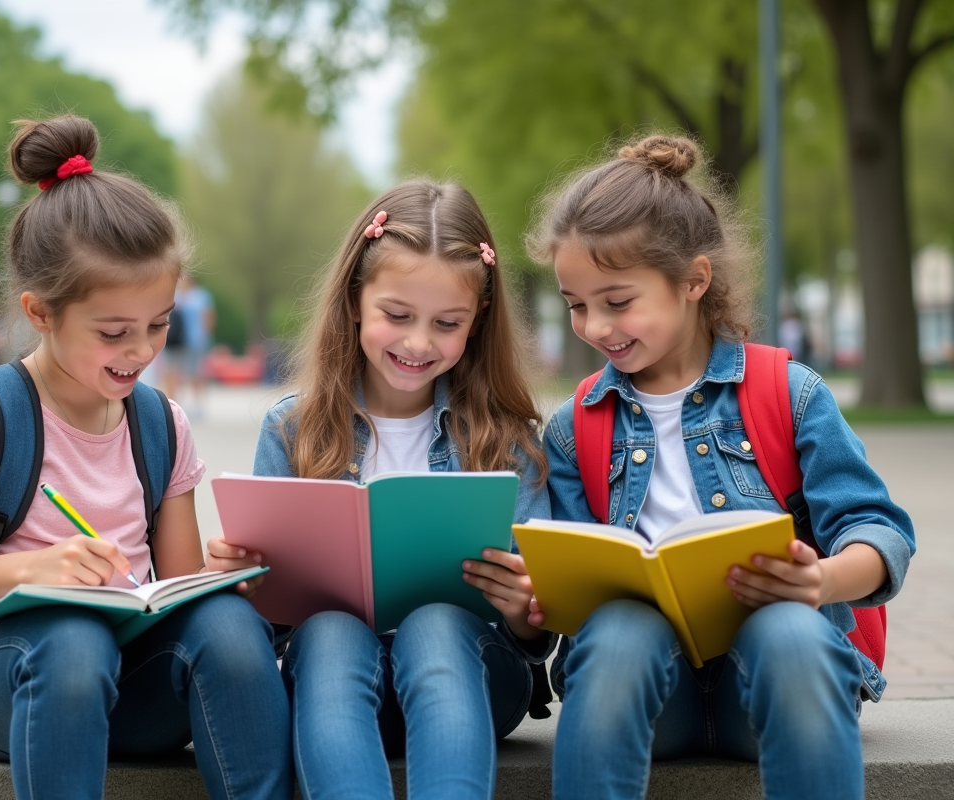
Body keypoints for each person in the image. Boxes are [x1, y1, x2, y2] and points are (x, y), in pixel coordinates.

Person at [0, 115, 291, 800]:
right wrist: (38, 567)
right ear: (40, 314)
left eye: (159, 324)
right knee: (73, 640)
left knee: (227, 627)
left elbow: (180, 588)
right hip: (5, 679)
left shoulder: (161, 423)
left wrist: (234, 580)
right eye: (113, 332)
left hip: (129, 682)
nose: (141, 350)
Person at [529, 135, 916, 800]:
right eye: (576, 303)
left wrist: (820, 580)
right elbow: (566, 586)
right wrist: (537, 595)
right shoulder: (572, 427)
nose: (593, 325)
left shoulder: (789, 393)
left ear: (694, 281)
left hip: (771, 687)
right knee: (618, 630)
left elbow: (879, 529)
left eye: (617, 301)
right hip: (650, 697)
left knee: (790, 629)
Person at [241, 179, 552, 799]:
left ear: (477, 322)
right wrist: (249, 581)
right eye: (397, 315)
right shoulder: (292, 428)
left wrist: (526, 607)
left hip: (473, 679)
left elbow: (535, 632)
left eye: (447, 323)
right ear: (356, 300)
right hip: (336, 683)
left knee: (436, 622)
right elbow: (267, 624)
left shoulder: (505, 441)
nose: (417, 343)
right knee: (328, 630)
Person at [161, 274, 215, 415]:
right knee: (171, 372)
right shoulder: (176, 295)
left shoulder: (201, 296)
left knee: (194, 372)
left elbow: (208, 317)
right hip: (175, 341)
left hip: (195, 341)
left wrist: (205, 336)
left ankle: (197, 404)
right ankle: (172, 403)